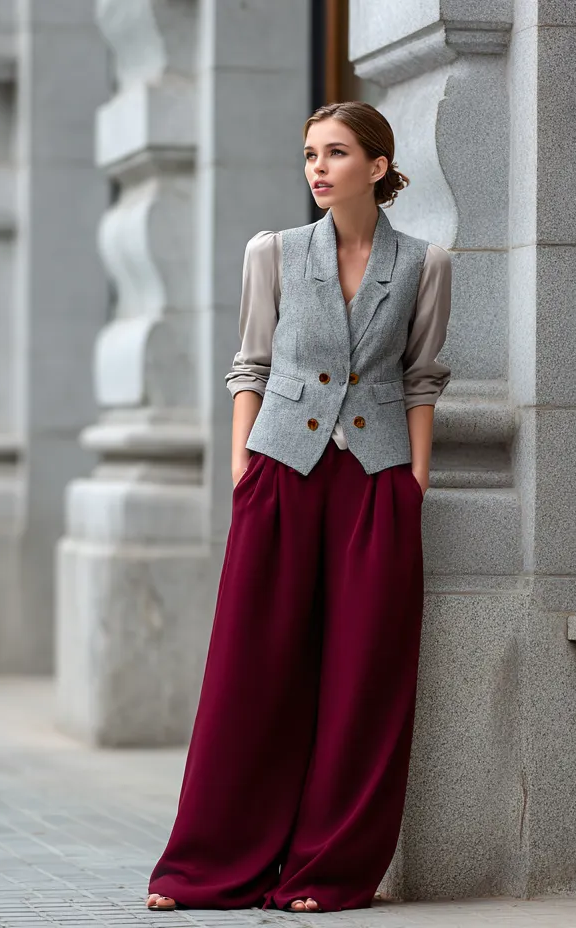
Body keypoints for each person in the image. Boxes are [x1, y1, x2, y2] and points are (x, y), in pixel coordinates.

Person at [146, 101, 452, 914]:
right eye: (310, 154)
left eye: (337, 153)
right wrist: (244, 464)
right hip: (281, 472)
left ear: (378, 168)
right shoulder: (274, 253)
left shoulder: (426, 264)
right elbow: (248, 362)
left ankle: (327, 872)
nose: (317, 168)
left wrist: (415, 476)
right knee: (253, 669)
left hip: (377, 480)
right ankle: (205, 868)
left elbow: (421, 377)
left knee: (364, 680)